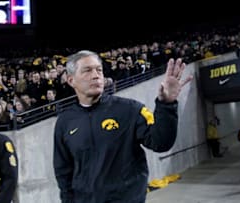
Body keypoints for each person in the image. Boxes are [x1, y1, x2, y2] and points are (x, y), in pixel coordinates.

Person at [53, 50, 192, 203]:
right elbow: (63, 170)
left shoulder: (130, 110)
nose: (96, 75)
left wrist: (166, 105)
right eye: (87, 71)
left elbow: (161, 143)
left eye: (99, 70)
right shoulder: (65, 122)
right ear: (71, 80)